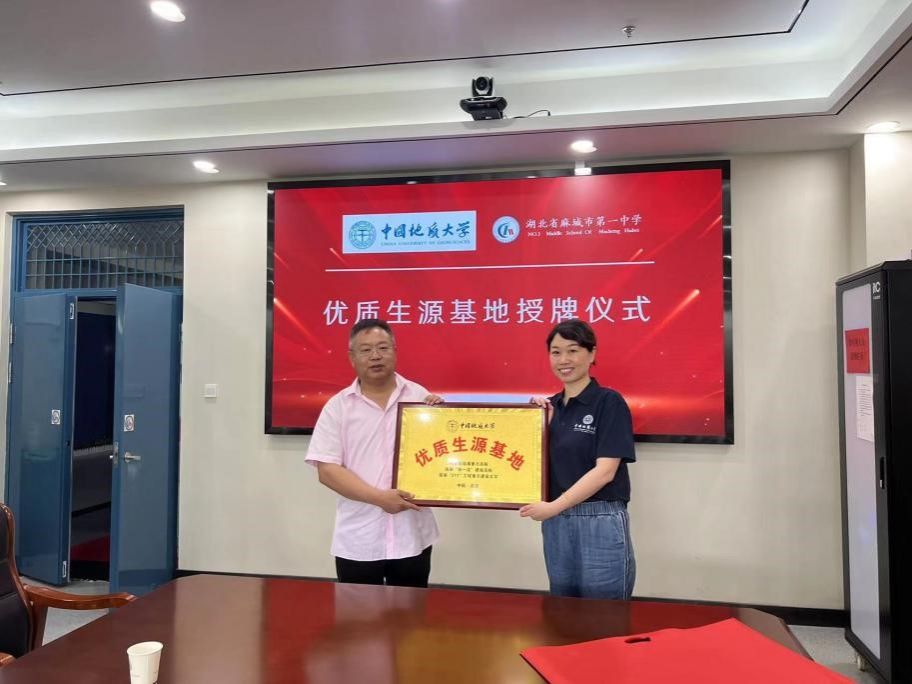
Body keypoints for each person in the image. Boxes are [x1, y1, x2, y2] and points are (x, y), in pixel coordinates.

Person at [306, 318, 442, 587]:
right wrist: (380, 499)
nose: (376, 356)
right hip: (359, 537)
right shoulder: (338, 407)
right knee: (358, 612)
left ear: (395, 351)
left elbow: (441, 454)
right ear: (352, 357)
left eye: (383, 348)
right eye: (366, 350)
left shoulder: (419, 397)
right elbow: (327, 471)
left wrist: (444, 418)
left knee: (411, 611)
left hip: (411, 533)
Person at [520, 319, 636, 599]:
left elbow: (605, 471)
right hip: (556, 522)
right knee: (563, 610)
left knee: (603, 613)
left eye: (573, 350)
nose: (564, 360)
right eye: (556, 352)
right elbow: (523, 464)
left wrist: (554, 507)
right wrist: (537, 424)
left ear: (592, 353)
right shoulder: (548, 408)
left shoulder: (609, 402)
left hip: (599, 519)